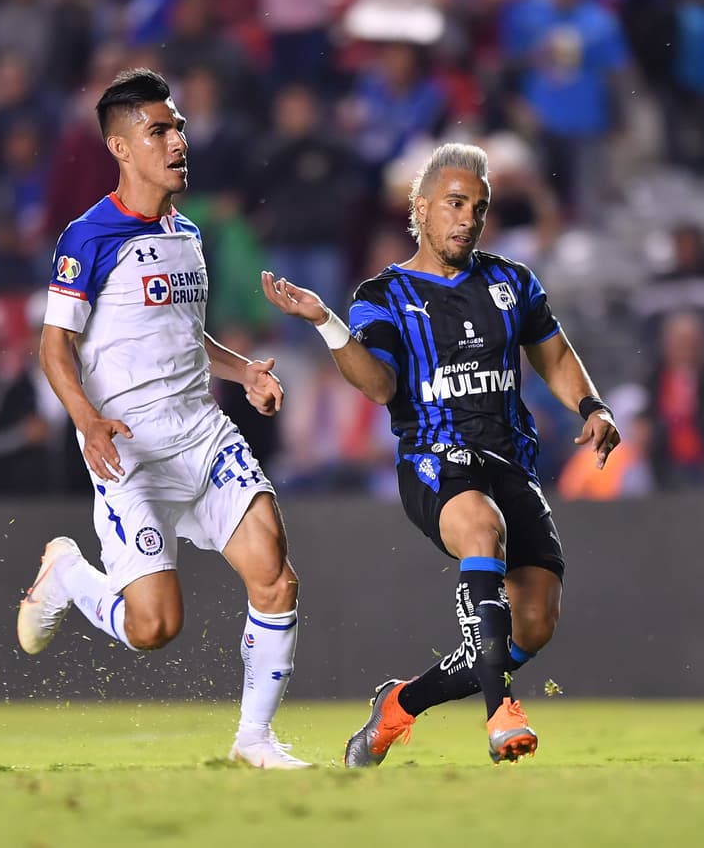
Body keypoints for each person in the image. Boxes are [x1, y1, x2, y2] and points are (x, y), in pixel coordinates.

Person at [262, 142, 621, 765]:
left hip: (511, 459)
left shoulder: (513, 282)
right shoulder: (383, 294)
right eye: (455, 204)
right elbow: (378, 386)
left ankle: (400, 705)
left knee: (532, 624)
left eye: (478, 209)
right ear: (420, 208)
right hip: (435, 457)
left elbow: (555, 356)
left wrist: (593, 407)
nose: (467, 219)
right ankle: (500, 714)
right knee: (481, 529)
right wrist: (326, 323)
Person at [15, 69, 309, 769]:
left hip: (202, 433)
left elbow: (186, 336)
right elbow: (54, 344)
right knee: (155, 626)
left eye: (177, 126)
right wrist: (87, 418)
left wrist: (245, 371)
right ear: (121, 146)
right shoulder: (87, 237)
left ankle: (254, 740)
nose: (178, 140)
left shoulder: (188, 232)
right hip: (128, 448)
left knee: (276, 575)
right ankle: (66, 575)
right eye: (160, 129)